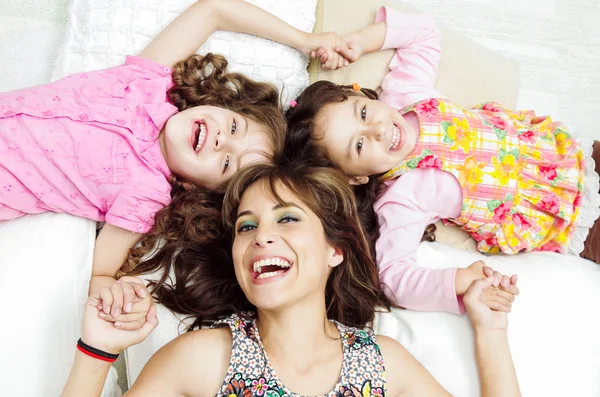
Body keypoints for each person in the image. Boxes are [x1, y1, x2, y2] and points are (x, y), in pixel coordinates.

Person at [0, 0, 353, 327]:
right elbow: (213, 9)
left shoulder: (145, 196)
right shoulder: (150, 83)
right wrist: (304, 39)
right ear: (221, 104)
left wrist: (115, 293)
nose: (220, 140)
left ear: (196, 187)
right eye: (233, 126)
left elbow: (101, 273)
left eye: (227, 161)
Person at [62, 160, 521, 396]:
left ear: (334, 250)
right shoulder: (202, 359)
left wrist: (491, 329)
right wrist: (97, 349)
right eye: (247, 226)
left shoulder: (382, 363)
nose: (261, 236)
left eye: (286, 220)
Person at [283, 5, 600, 314]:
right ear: (355, 178)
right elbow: (394, 279)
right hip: (569, 220)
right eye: (360, 145)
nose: (379, 129)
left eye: (363, 113)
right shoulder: (401, 197)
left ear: (361, 96)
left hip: (576, 157)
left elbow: (424, 34)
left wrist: (364, 41)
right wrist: (457, 281)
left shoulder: (406, 94)